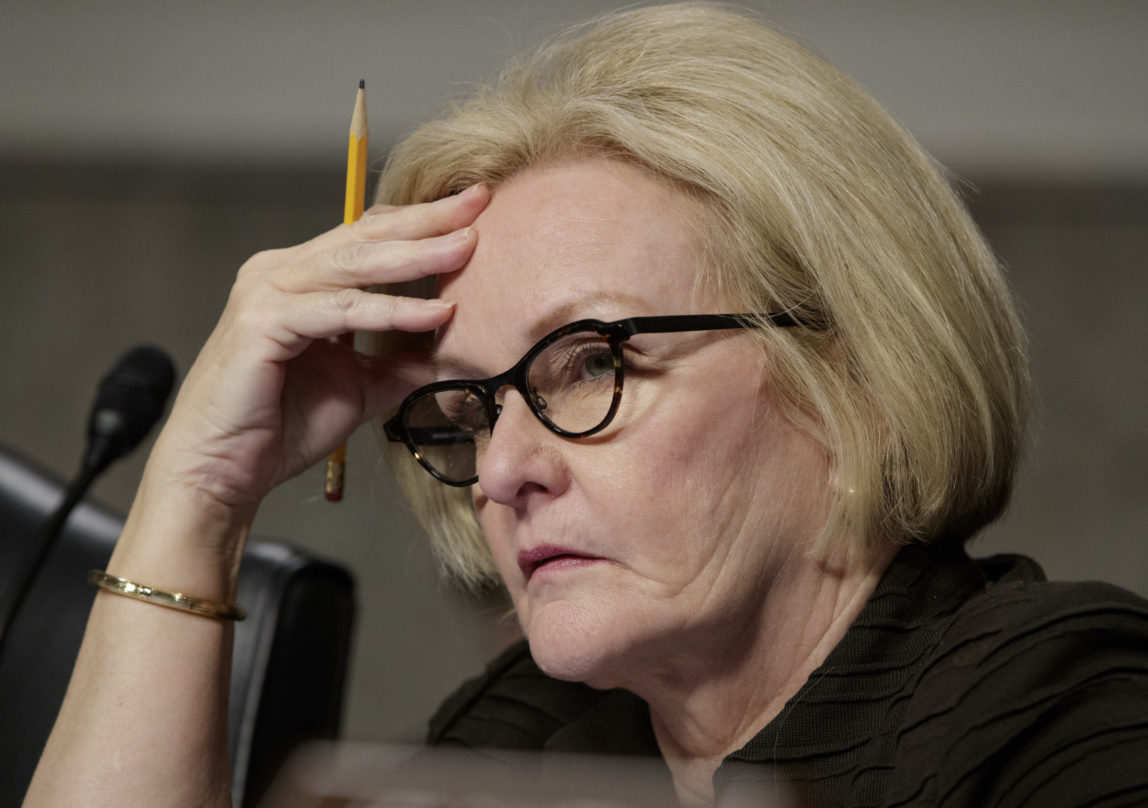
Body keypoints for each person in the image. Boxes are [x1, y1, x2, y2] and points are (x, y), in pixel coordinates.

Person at [25, 4, 1148, 807]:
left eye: (588, 362)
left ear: (851, 381)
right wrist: (198, 495)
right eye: (467, 405)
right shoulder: (535, 740)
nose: (505, 468)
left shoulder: (1067, 713)